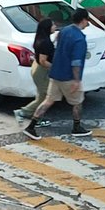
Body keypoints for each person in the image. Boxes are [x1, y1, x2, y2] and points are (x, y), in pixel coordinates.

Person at [24, 9, 91, 139]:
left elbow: (56, 42)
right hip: (69, 77)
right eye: (87, 20)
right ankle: (76, 127)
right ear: (83, 20)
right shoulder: (79, 39)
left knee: (48, 100)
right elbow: (76, 62)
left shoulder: (64, 31)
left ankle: (31, 126)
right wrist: (77, 81)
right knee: (77, 102)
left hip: (55, 73)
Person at [14, 17, 55, 134]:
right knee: (47, 96)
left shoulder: (42, 39)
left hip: (37, 68)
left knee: (41, 96)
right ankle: (22, 112)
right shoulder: (45, 43)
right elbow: (43, 61)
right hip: (41, 71)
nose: (55, 27)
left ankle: (38, 118)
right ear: (48, 28)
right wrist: (55, 67)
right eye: (53, 25)